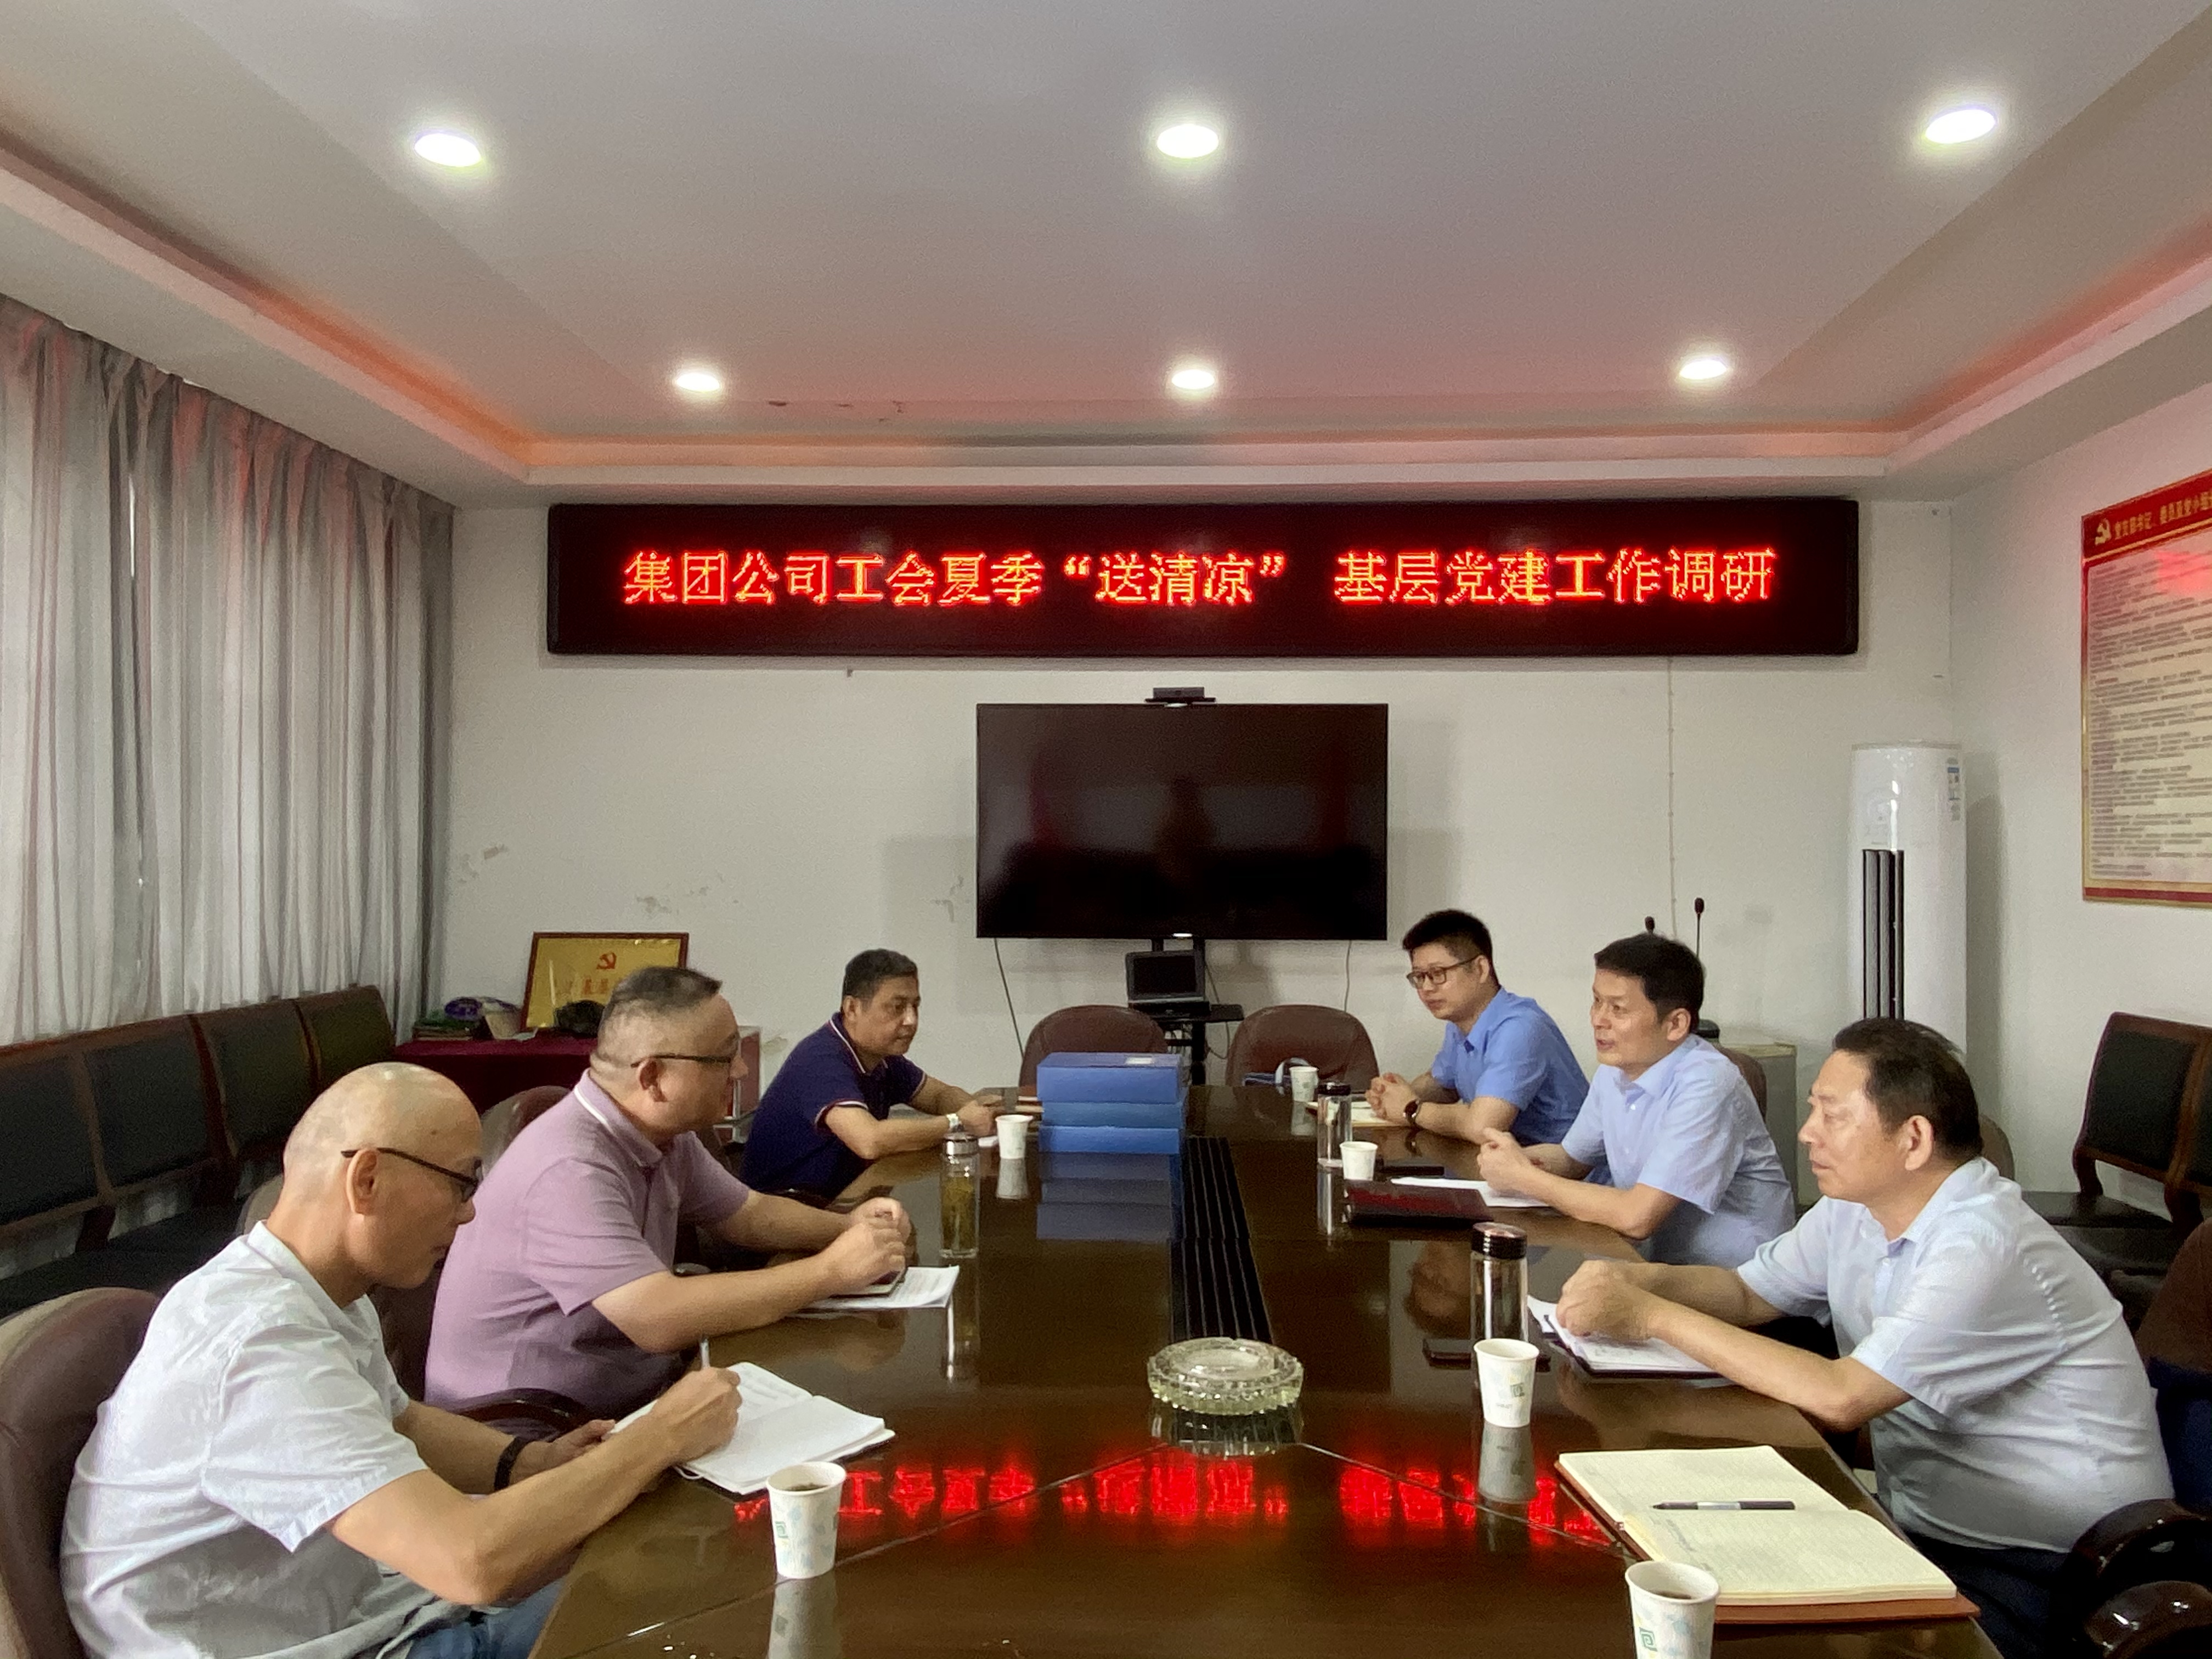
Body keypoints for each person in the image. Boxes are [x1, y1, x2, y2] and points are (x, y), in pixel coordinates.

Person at [62, 1062, 741, 1659]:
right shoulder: (258, 1348)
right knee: (673, 1602)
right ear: (367, 1179)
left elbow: (398, 1420)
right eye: (461, 1184)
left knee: (657, 1564)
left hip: (366, 1611)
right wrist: (659, 1438)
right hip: (325, 1642)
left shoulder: (310, 1286)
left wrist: (534, 1463)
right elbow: (469, 1562)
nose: (469, 1215)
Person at [1551, 1019, 2171, 1659]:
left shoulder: (1984, 1245)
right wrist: (1641, 1278)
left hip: (2056, 1570)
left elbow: (1843, 1395)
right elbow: (1748, 1293)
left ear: (1913, 1139)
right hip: (1927, 1527)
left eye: (1833, 1115)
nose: (1807, 1132)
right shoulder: (1856, 1207)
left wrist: (1650, 1315)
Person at [426, 965, 910, 1420]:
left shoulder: (661, 1133)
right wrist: (831, 1271)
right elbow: (656, 1316)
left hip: (628, 1391)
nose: (740, 1071)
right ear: (653, 1077)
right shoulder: (568, 1167)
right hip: (530, 1427)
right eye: (723, 1058)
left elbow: (749, 1214)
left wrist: (851, 1228)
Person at [1474, 932, 1792, 1266]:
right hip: (1657, 1262)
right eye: (1597, 1001)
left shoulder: (1708, 1084)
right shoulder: (1615, 1071)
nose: (1598, 1020)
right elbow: (1571, 1160)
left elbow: (1638, 1217)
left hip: (1736, 1276)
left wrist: (1526, 1178)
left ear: (1676, 1024)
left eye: (1618, 1009)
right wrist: (1512, 1158)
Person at [739, 948, 1001, 1201]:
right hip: (787, 1211)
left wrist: (974, 1111)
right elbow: (869, 1140)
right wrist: (958, 1122)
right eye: (897, 1007)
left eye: (915, 1006)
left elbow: (937, 1095)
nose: (911, 1020)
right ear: (852, 1008)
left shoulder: (882, 1056)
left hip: (841, 1197)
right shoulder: (821, 1059)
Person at [1364, 908, 1587, 1146]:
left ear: (1481, 969)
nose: (1427, 988)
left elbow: (1484, 1127)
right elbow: (1443, 1086)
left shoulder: (1520, 1028)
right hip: (1508, 1161)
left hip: (1560, 1165)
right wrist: (1393, 1094)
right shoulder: (1461, 1021)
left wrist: (1411, 1109)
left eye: (1438, 974)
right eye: (1419, 977)